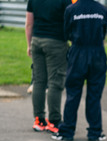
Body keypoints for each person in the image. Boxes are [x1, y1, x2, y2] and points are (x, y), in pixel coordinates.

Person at [52, 0, 107, 141]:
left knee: (73, 93)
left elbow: (67, 33)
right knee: (94, 94)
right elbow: (103, 32)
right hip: (97, 54)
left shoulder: (71, 9)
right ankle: (95, 132)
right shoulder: (102, 10)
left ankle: (67, 131)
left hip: (78, 53)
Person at [25, 0, 71, 133]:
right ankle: (54, 120)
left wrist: (29, 45)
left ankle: (39, 120)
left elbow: (29, 23)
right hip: (56, 42)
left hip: (37, 41)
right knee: (55, 82)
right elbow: (69, 21)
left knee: (39, 81)